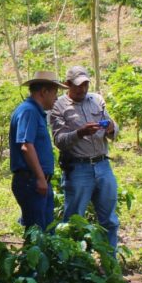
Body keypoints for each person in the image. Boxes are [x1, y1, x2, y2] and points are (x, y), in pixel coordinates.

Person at [49, 65, 120, 253]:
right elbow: (59, 140)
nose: (82, 89)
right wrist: (80, 133)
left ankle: (110, 262)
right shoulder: (58, 106)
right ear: (67, 84)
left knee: (110, 220)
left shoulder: (97, 100)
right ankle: (75, 262)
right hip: (78, 169)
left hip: (103, 165)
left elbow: (113, 129)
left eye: (85, 84)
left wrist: (111, 127)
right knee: (74, 221)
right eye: (78, 85)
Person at [9, 72, 64, 232]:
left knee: (46, 231)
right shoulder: (29, 111)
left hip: (38, 180)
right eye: (54, 93)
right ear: (44, 92)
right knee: (37, 233)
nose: (56, 98)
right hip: (31, 181)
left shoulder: (35, 111)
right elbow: (26, 146)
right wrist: (40, 178)